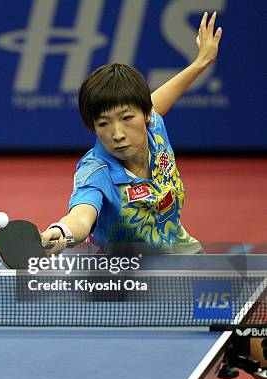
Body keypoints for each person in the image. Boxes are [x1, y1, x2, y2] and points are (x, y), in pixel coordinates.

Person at [42, 12, 223, 254]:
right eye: (104, 124)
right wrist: (62, 232)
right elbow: (81, 216)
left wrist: (201, 62)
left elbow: (156, 100)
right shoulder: (96, 172)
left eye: (126, 118)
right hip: (120, 264)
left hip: (173, 241)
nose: (117, 133)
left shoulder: (153, 127)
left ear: (146, 115)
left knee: (217, 290)